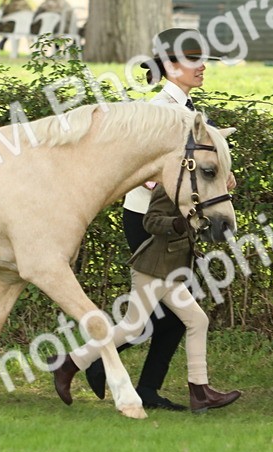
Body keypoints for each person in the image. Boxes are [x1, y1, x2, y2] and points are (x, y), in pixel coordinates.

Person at [78, 27, 237, 411]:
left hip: (171, 221)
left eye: (204, 61)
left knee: (166, 317)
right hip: (150, 221)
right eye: (193, 60)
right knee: (166, 315)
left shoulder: (185, 111)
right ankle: (86, 363)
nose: (202, 68)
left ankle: (124, 378)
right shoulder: (162, 111)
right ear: (169, 65)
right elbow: (141, 170)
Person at [49, 182, 242, 412]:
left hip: (169, 270)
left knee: (197, 320)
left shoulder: (190, 182)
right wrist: (179, 223)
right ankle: (71, 363)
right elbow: (150, 221)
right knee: (132, 327)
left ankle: (199, 392)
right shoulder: (167, 185)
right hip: (152, 270)